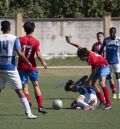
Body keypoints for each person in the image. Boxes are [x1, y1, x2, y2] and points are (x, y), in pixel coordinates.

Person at [0, 20, 37, 119]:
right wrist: (28, 62)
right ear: (10, 28)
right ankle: (29, 113)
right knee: (19, 90)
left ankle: (29, 112)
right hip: (10, 68)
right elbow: (20, 53)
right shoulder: (14, 38)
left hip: (0, 68)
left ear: (1, 29)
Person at [65, 36, 112, 109]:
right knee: (93, 84)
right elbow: (78, 45)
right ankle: (102, 102)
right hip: (98, 67)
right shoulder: (84, 52)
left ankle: (108, 104)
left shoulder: (92, 59)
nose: (80, 59)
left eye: (81, 58)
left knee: (101, 83)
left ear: (85, 57)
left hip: (104, 65)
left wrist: (88, 81)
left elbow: (93, 72)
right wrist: (69, 42)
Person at [18, 21, 48, 114]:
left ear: (24, 29)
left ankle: (27, 105)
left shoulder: (20, 39)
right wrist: (43, 63)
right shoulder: (36, 41)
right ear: (33, 30)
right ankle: (40, 106)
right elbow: (38, 55)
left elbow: (17, 52)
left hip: (22, 66)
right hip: (32, 67)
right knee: (36, 85)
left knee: (25, 86)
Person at [92, 32, 116, 99]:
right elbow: (93, 53)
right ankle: (104, 96)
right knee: (101, 80)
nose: (99, 38)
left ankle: (114, 92)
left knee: (110, 78)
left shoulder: (107, 44)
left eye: (100, 36)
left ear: (103, 37)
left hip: (106, 64)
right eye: (98, 36)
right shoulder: (95, 45)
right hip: (99, 65)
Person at [99, 27, 120, 99]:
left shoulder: (118, 40)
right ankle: (109, 94)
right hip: (108, 63)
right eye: (110, 32)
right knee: (108, 78)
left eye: (113, 32)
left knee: (118, 77)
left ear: (115, 32)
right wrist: (98, 57)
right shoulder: (106, 39)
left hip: (117, 62)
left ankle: (119, 93)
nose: (112, 33)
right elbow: (101, 49)